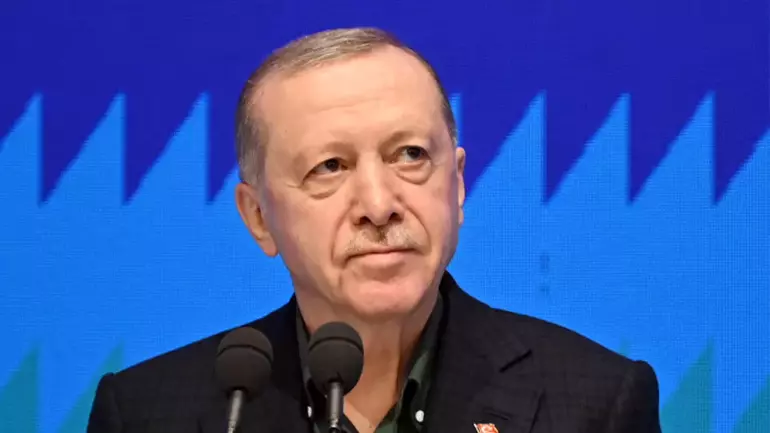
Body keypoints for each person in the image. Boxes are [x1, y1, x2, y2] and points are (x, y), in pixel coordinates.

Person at [87, 27, 662, 433]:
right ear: (258, 217)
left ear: (458, 185)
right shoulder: (147, 414)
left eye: (410, 155)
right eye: (329, 166)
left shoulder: (595, 405)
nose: (380, 205)